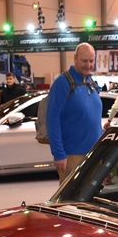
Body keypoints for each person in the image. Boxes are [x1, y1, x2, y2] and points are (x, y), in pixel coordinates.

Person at [45, 42, 103, 181]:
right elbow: (52, 120)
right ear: (75, 58)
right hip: (72, 156)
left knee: (91, 194)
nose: (88, 65)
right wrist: (59, 154)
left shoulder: (91, 82)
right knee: (73, 194)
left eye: (91, 61)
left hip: (94, 153)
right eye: (84, 61)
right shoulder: (62, 83)